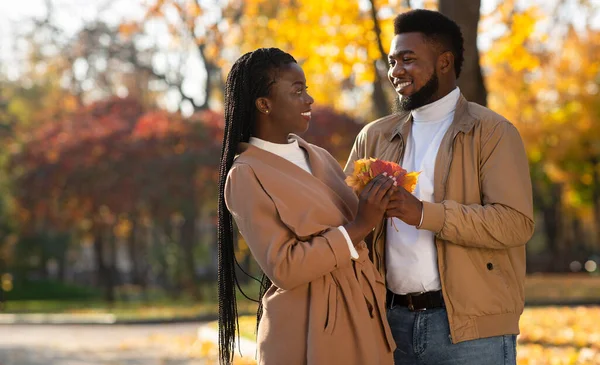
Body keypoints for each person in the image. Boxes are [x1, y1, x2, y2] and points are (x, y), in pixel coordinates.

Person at [345, 9, 534, 365]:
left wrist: (422, 214)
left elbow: (515, 223)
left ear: (444, 62)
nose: (395, 71)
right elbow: (342, 213)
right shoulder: (374, 136)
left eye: (408, 59)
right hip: (389, 325)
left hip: (473, 333)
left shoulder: (492, 132)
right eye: (392, 61)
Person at [217, 48, 396, 365]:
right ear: (264, 104)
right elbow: (285, 268)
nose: (309, 100)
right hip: (309, 334)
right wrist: (358, 226)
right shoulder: (245, 174)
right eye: (297, 91)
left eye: (307, 89)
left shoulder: (319, 155)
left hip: (366, 317)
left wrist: (381, 201)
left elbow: (361, 231)